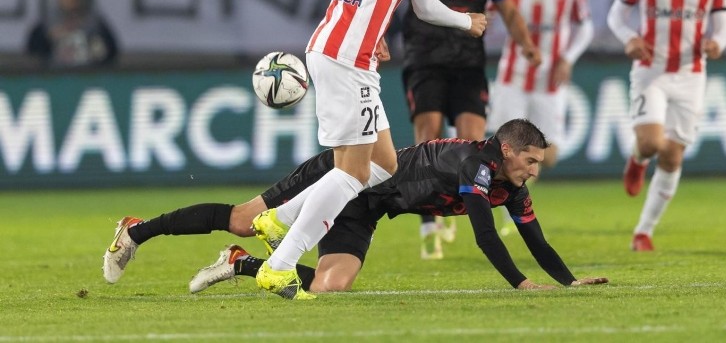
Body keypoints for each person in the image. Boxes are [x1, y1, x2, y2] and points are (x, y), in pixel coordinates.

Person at [103, 0, 486, 301]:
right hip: (346, 60)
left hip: (336, 48)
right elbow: (425, 7)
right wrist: (469, 21)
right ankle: (278, 266)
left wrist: (362, 22)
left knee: (383, 165)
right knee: (353, 174)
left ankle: (273, 223)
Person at [101, 119, 608, 294]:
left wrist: (568, 282)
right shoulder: (475, 165)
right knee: (243, 218)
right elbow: (484, 235)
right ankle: (136, 230)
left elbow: (534, 237)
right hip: (344, 171)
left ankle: (239, 265)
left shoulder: (510, 185)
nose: (534, 171)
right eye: (530, 161)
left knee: (331, 285)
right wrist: (521, 285)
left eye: (538, 163)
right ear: (506, 151)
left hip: (366, 207)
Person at [399, 0, 540, 259]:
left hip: (468, 64)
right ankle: (429, 223)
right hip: (424, 59)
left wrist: (525, 42)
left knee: (473, 143)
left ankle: (482, 210)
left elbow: (507, 9)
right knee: (427, 140)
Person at [606, 0, 726, 251]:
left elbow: (722, 28)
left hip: (691, 74)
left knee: (673, 155)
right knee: (650, 142)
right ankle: (637, 158)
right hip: (651, 70)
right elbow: (616, 16)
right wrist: (629, 38)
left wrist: (717, 45)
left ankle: (643, 231)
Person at [488, 0, 594, 170]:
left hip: (548, 82)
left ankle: (512, 198)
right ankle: (512, 207)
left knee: (548, 156)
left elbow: (586, 27)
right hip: (513, 77)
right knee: (506, 150)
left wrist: (568, 58)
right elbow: (486, 15)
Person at [25, 0, 119, 68]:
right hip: (54, 74)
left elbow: (110, 51)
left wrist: (94, 44)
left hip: (89, 73)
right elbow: (33, 51)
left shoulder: (95, 23)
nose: (71, 0)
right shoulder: (48, 23)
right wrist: (48, 37)